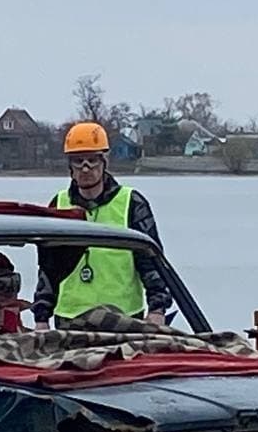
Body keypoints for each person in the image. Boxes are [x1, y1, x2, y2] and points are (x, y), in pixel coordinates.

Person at [32, 121, 171, 330]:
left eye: (92, 160)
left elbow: (152, 262)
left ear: (104, 161)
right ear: (70, 166)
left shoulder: (131, 203)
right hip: (69, 318)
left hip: (124, 318)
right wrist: (41, 318)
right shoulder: (58, 205)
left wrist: (157, 309)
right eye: (78, 161)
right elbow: (48, 269)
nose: (85, 168)